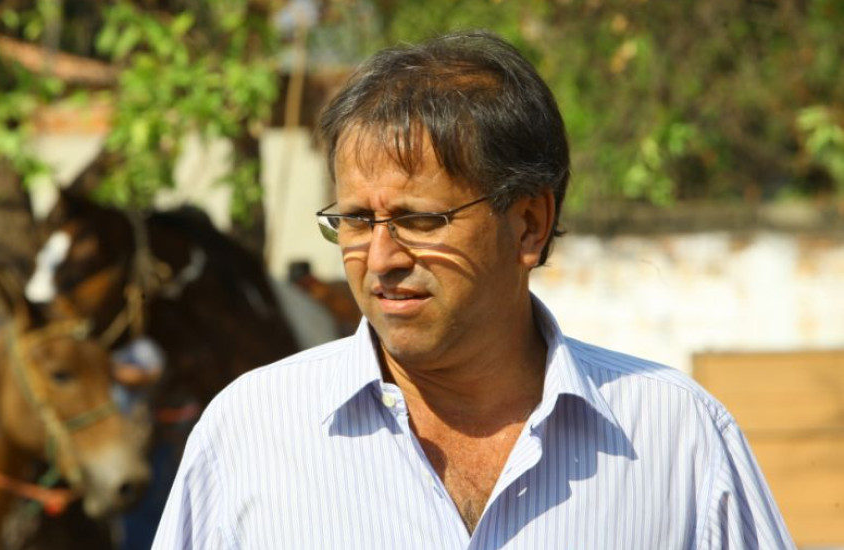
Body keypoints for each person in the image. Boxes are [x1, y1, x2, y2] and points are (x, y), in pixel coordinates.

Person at [152, 30, 794, 549]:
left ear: (529, 224)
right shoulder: (249, 434)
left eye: (419, 220)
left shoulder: (676, 439)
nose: (381, 259)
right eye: (356, 220)